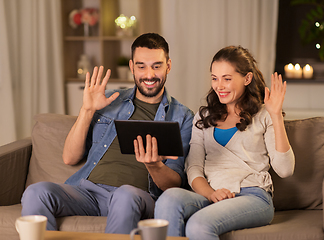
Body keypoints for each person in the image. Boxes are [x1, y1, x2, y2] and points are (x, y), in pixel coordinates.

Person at [21, 33, 194, 234]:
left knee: (125, 194)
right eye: (141, 66)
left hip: (135, 196)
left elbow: (173, 184)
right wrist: (87, 110)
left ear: (168, 66)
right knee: (36, 192)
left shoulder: (182, 116)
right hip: (87, 191)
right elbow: (69, 157)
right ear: (131, 67)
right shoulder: (110, 100)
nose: (149, 74)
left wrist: (153, 165)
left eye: (156, 66)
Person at [154, 45, 295, 240]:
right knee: (167, 199)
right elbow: (193, 167)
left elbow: (285, 169)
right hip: (211, 194)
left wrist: (276, 115)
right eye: (214, 78)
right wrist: (211, 194)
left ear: (247, 78)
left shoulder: (265, 115)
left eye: (227, 79)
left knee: (198, 225)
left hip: (252, 196)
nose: (219, 86)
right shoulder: (203, 117)